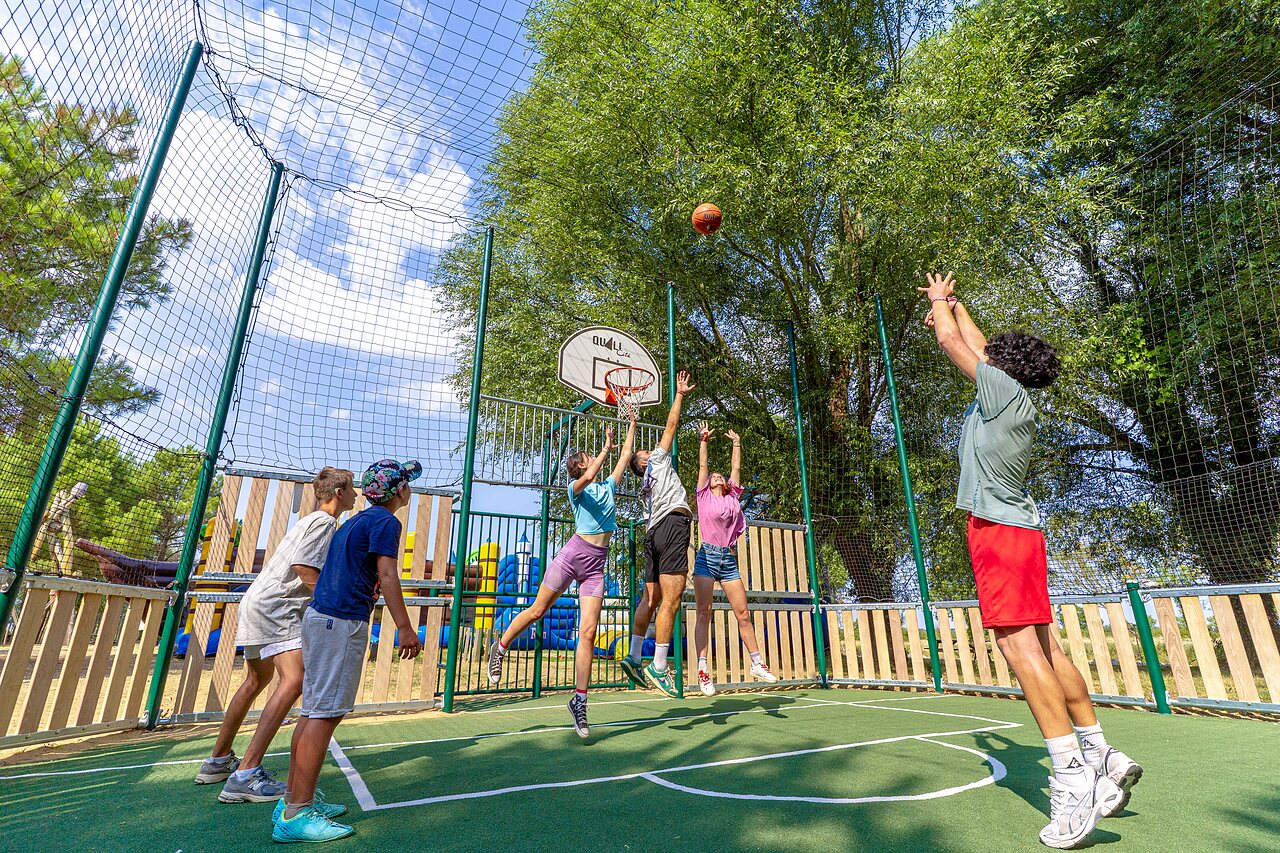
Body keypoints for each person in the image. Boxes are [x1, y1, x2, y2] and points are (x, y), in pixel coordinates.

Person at [921, 272, 1142, 850]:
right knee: (1045, 647)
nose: (982, 352)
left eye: (991, 355)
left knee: (1019, 651)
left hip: (998, 534)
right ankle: (1101, 753)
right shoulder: (1011, 396)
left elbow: (953, 343)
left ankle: (1071, 778)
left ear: (1002, 368)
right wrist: (957, 302)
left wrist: (942, 306)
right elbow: (972, 341)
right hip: (1020, 533)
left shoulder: (1000, 393)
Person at [271, 459, 424, 844]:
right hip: (339, 622)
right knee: (323, 714)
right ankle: (296, 813)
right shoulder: (385, 523)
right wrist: (405, 628)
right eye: (406, 483)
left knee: (314, 712)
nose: (410, 489)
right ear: (399, 491)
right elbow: (388, 575)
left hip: (323, 619)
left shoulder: (355, 521)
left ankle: (293, 799)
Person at [196, 468, 356, 809]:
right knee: (294, 679)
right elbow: (304, 568)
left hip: (258, 601)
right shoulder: (326, 523)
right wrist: (330, 604)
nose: (357, 495)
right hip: (278, 606)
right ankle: (245, 774)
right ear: (339, 492)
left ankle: (218, 760)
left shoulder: (309, 521)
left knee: (257, 679)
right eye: (353, 489)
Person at [487, 412, 638, 737]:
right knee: (537, 610)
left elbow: (626, 455)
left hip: (596, 564)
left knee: (587, 633)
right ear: (581, 466)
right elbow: (592, 473)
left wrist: (631, 426)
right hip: (571, 556)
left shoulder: (608, 487)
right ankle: (500, 647)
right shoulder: (575, 488)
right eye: (587, 457)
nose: (592, 458)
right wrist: (605, 450)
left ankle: (580, 703)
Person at [619, 370, 695, 698]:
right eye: (646, 452)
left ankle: (635, 656)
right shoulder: (659, 462)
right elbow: (671, 427)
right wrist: (679, 394)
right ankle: (659, 667)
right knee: (673, 599)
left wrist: (631, 427)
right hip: (672, 525)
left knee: (650, 599)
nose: (651, 450)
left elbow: (631, 454)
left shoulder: (644, 488)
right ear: (645, 460)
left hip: (651, 534)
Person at [691, 422, 777, 695]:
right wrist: (704, 439)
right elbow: (703, 467)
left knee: (743, 614)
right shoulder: (704, 496)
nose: (717, 476)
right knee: (704, 613)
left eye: (720, 476)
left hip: (728, 559)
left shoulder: (732, 497)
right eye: (714, 476)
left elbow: (736, 469)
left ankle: (757, 663)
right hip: (706, 556)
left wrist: (736, 442)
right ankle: (703, 671)